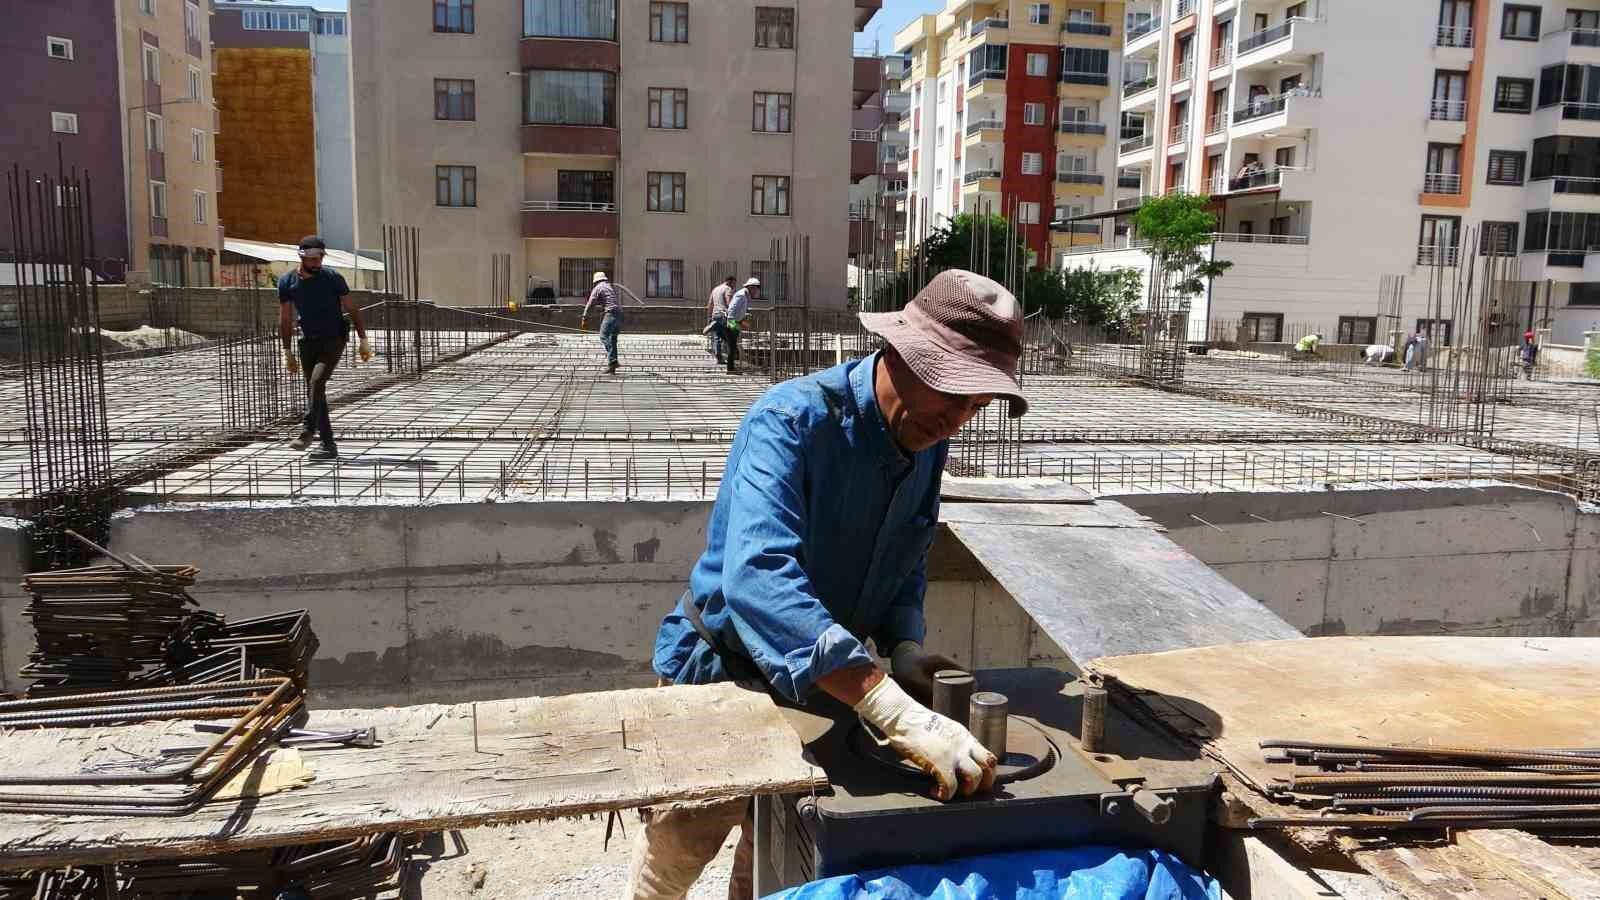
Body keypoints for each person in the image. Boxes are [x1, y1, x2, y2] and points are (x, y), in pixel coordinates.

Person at [630, 269, 1027, 900]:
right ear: (901, 351)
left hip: (823, 687)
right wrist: (888, 705)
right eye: (950, 395)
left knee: (778, 858)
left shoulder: (924, 441)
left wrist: (904, 648)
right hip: (721, 677)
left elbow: (908, 550)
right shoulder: (789, 421)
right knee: (680, 849)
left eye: (974, 407)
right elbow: (758, 577)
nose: (955, 421)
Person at [279, 235, 370, 461]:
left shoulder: (332, 278)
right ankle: (328, 446)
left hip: (333, 338)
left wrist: (363, 338)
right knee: (315, 393)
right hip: (308, 341)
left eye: (320, 257)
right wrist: (287, 350)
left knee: (317, 382)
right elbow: (285, 318)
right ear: (301, 257)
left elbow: (352, 308)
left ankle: (308, 430)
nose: (317, 262)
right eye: (312, 258)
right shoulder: (287, 282)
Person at [580, 271, 622, 374]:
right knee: (612, 339)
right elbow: (607, 300)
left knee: (603, 336)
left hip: (611, 314)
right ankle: (612, 367)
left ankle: (613, 360)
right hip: (619, 314)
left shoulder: (598, 288)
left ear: (596, 281)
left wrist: (585, 317)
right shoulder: (609, 287)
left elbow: (590, 303)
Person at [724, 277, 759, 374]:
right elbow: (732, 309)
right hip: (732, 322)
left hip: (735, 321)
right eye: (756, 289)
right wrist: (734, 324)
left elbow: (739, 310)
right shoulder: (741, 295)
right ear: (751, 288)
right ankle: (730, 369)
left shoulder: (745, 295)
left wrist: (743, 318)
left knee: (733, 346)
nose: (756, 292)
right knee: (733, 347)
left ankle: (732, 368)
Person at [706, 275, 736, 365]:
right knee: (729, 336)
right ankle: (730, 357)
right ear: (729, 282)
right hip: (724, 315)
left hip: (715, 315)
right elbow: (729, 302)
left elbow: (710, 304)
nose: (734, 286)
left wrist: (709, 317)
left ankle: (719, 357)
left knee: (717, 337)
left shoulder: (715, 289)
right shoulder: (728, 289)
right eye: (734, 283)